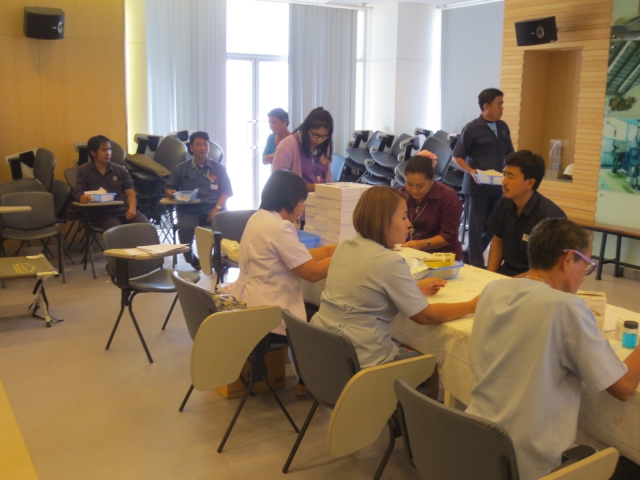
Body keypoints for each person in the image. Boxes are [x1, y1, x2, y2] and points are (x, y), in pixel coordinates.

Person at [466, 218, 640, 480]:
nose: (583, 277)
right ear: (568, 259)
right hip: (529, 458)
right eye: (586, 265)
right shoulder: (565, 307)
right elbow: (623, 388)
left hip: (478, 437)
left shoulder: (493, 289)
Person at [311, 186, 477, 371]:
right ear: (383, 222)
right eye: (404, 217)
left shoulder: (346, 246)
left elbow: (363, 289)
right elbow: (426, 316)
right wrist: (471, 306)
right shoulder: (388, 261)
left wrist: (413, 288)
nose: (409, 224)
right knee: (431, 365)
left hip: (323, 349)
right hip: (361, 361)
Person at [232, 170, 335, 339]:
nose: (302, 208)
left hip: (248, 302)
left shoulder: (259, 217)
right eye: (301, 202)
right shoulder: (280, 227)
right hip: (268, 312)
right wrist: (342, 256)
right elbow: (312, 273)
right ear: (291, 199)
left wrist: (328, 250)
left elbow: (295, 256)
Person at [452, 88, 514, 267]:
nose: (502, 108)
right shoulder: (472, 128)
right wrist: (471, 171)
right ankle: (477, 265)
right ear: (486, 106)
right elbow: (457, 157)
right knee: (475, 228)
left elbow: (510, 154)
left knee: (492, 226)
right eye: (499, 104)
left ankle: (470, 256)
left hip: (498, 186)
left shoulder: (503, 127)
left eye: (502, 104)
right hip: (476, 186)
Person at [487, 150, 566, 276]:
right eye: (504, 174)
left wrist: (509, 283)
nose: (503, 181)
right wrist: (490, 276)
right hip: (505, 275)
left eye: (510, 177)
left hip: (535, 281)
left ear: (530, 183)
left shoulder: (550, 217)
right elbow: (498, 241)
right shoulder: (505, 202)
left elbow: (548, 270)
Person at [165, 131, 233, 270]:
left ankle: (219, 259)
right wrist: (170, 193)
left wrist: (217, 209)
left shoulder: (218, 168)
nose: (202, 148)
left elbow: (226, 192)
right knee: (185, 229)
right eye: (198, 145)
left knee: (227, 225)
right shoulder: (181, 168)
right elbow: (169, 188)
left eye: (205, 144)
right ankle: (193, 260)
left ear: (208, 147)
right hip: (189, 210)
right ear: (191, 147)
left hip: (214, 208)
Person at [74, 135, 149, 230]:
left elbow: (130, 193)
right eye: (104, 150)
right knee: (117, 232)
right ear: (93, 153)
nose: (108, 153)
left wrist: (132, 208)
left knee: (147, 227)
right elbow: (78, 192)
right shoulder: (83, 170)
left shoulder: (120, 170)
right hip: (102, 213)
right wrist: (81, 197)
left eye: (109, 149)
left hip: (123, 209)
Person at [400, 153, 464, 260]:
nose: (414, 190)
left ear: (432, 180)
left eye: (420, 186)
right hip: (409, 251)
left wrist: (422, 244)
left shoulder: (447, 197)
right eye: (409, 184)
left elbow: (448, 235)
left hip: (441, 256)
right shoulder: (402, 194)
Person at [272, 107, 333, 193]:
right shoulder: (288, 145)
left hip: (321, 198)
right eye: (315, 135)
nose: (319, 140)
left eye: (324, 136)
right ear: (306, 129)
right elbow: (277, 182)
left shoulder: (325, 144)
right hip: (297, 199)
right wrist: (306, 188)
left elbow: (328, 176)